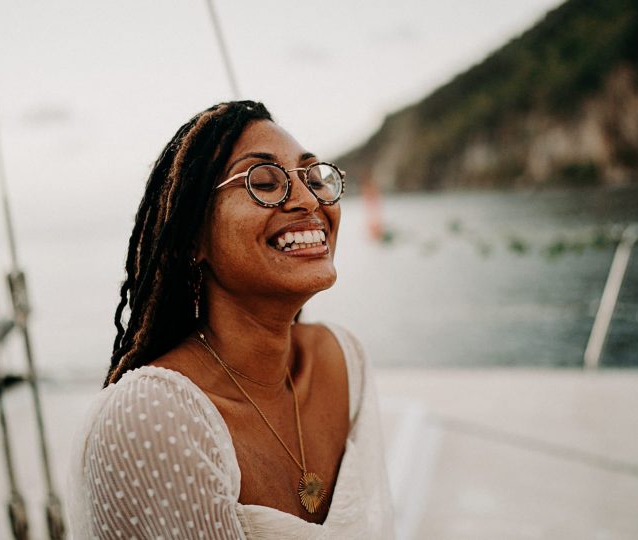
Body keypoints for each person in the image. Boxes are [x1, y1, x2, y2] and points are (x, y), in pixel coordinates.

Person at [67, 100, 394, 539]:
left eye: (314, 177)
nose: (306, 199)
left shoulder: (344, 360)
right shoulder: (152, 416)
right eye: (264, 181)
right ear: (193, 237)